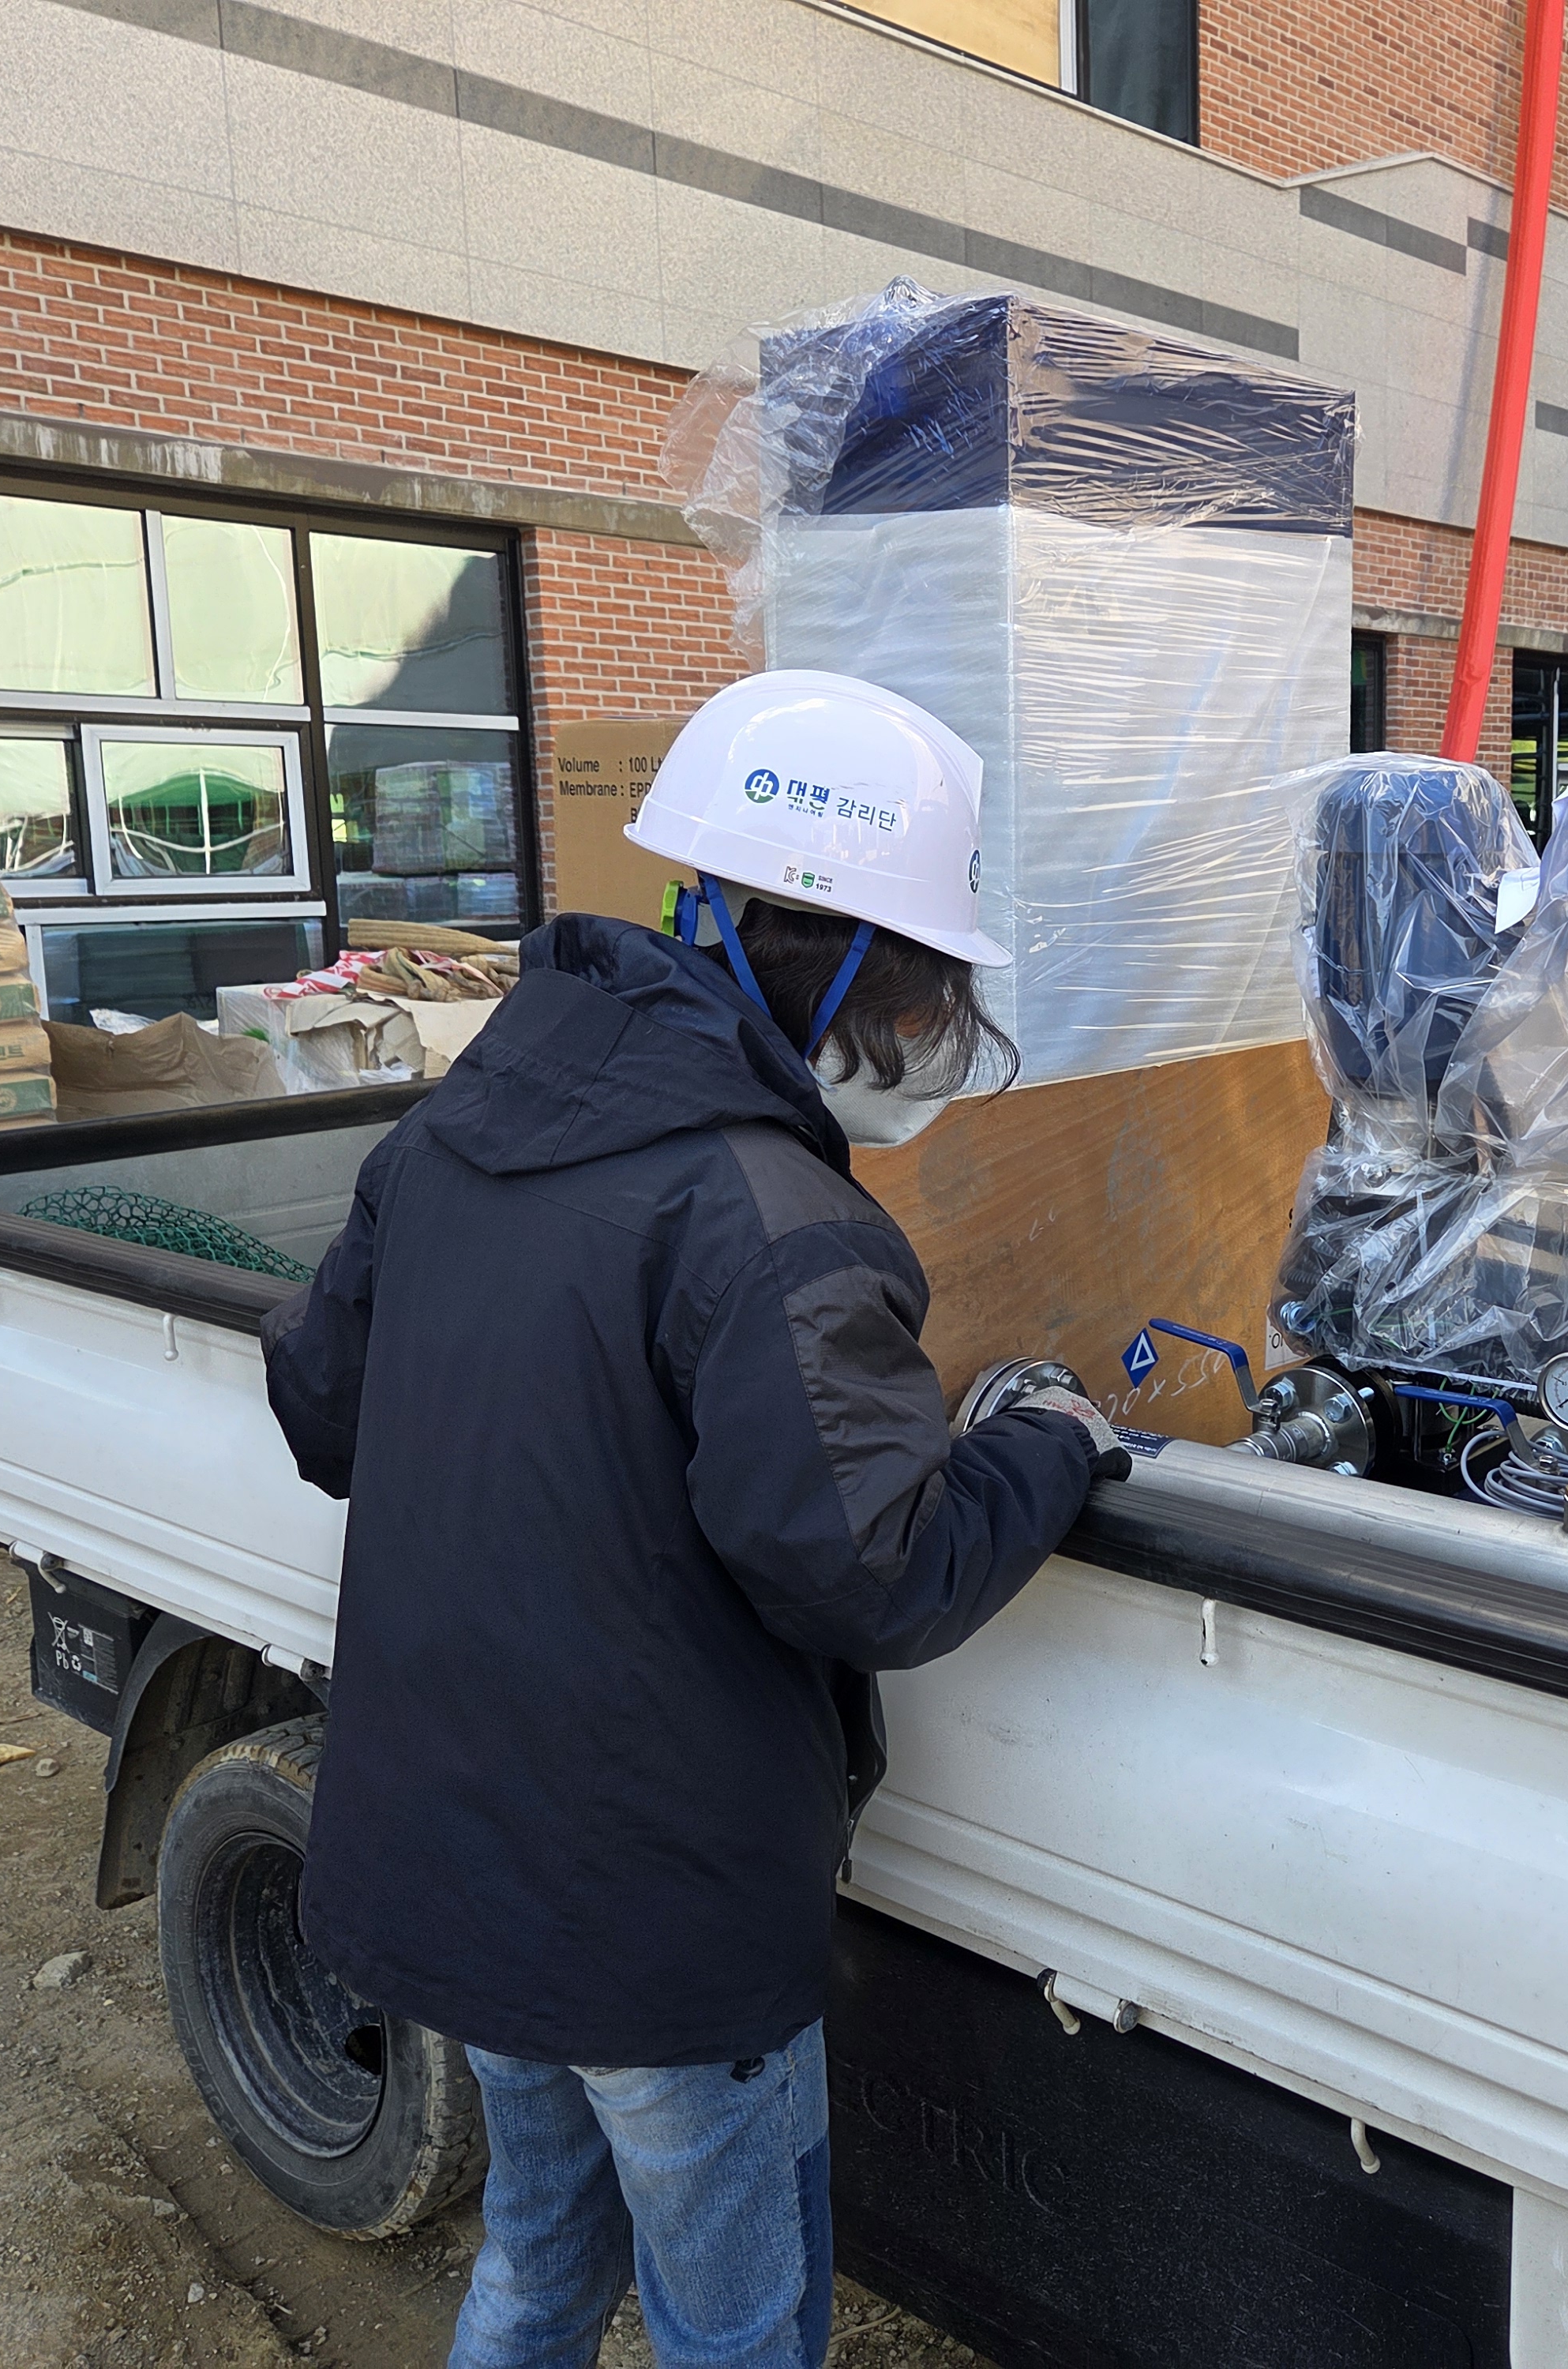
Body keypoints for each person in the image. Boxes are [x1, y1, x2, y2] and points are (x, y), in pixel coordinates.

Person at [262, 670, 1126, 2369]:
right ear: (852, 977)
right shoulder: (776, 1220)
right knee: (733, 2330)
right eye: (933, 994)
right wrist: (1046, 1445)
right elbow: (876, 1573)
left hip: (458, 1862)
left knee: (535, 2265)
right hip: (654, 1923)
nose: (938, 1041)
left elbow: (320, 1406)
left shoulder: (449, 1136)